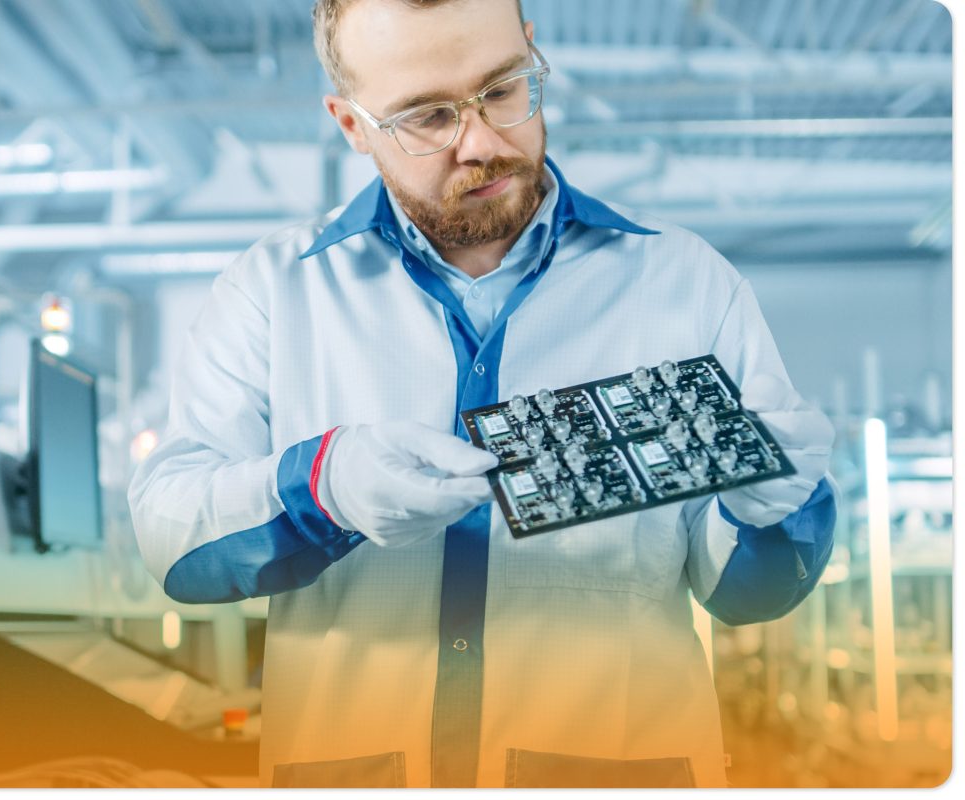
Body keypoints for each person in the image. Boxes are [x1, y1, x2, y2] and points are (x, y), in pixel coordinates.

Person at [128, 0, 837, 788]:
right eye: (427, 116)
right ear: (352, 125)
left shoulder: (685, 283)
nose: (482, 142)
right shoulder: (273, 293)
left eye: (503, 89)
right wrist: (319, 488)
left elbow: (743, 595)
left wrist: (771, 513)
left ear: (533, 51)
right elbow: (171, 541)